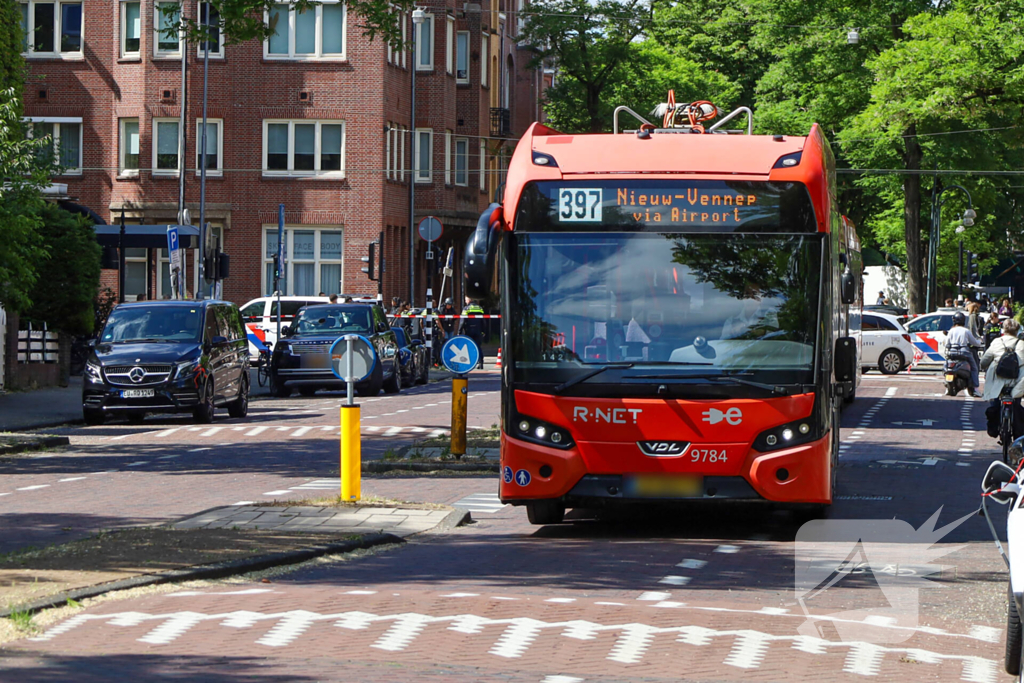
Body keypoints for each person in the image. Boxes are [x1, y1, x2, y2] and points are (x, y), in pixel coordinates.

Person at [981, 318, 1024, 440]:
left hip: (998, 380)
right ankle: (1018, 432)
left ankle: (993, 423)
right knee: (1016, 402)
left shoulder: (996, 342)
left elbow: (985, 360)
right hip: (1016, 381)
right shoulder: (1022, 344)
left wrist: (984, 367)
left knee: (995, 400)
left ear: (1004, 330)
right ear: (1017, 331)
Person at [944, 311, 983, 397]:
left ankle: (947, 387)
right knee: (974, 368)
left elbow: (947, 343)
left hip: (952, 352)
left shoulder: (951, 331)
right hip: (964, 352)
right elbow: (974, 342)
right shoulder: (966, 331)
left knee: (946, 365)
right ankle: (975, 389)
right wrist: (979, 341)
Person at [458, 296, 486, 369]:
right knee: (478, 346)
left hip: (469, 330)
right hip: (478, 330)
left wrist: (459, 331)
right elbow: (483, 320)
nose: (465, 301)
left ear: (469, 300)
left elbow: (462, 321)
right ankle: (481, 362)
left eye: (466, 300)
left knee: (468, 346)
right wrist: (483, 331)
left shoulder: (466, 308)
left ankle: (470, 363)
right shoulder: (479, 308)